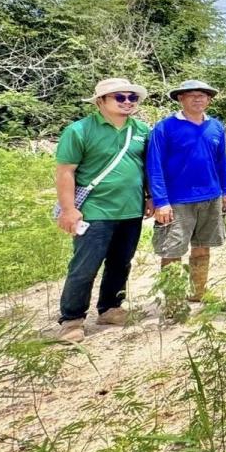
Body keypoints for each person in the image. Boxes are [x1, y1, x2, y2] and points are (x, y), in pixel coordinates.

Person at [54, 78, 151, 343]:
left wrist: (151, 196)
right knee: (85, 267)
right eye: (120, 97)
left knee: (121, 263)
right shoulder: (79, 130)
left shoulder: (142, 130)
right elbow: (65, 172)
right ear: (101, 101)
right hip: (94, 211)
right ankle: (72, 319)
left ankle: (110, 308)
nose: (128, 102)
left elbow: (147, 168)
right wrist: (68, 209)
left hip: (131, 209)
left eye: (132, 98)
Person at [146, 80, 226, 302]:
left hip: (211, 197)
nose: (197, 99)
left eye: (202, 95)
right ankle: (173, 301)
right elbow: (154, 166)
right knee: (172, 250)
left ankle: (198, 293)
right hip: (177, 200)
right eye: (191, 95)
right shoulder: (164, 128)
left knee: (203, 247)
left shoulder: (216, 127)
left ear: (209, 100)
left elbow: (222, 161)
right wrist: (160, 201)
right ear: (180, 99)